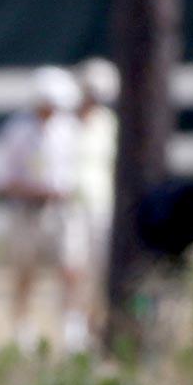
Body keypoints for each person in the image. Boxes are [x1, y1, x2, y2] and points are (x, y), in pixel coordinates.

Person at [0, 66, 80, 351]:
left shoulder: (68, 129)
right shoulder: (17, 130)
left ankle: (73, 330)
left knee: (71, 268)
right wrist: (34, 190)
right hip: (26, 212)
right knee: (26, 272)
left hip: (61, 211)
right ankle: (22, 329)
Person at [71, 58, 119, 341]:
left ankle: (94, 326)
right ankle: (75, 329)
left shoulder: (109, 124)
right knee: (74, 269)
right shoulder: (66, 124)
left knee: (100, 271)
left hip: (102, 206)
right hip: (71, 207)